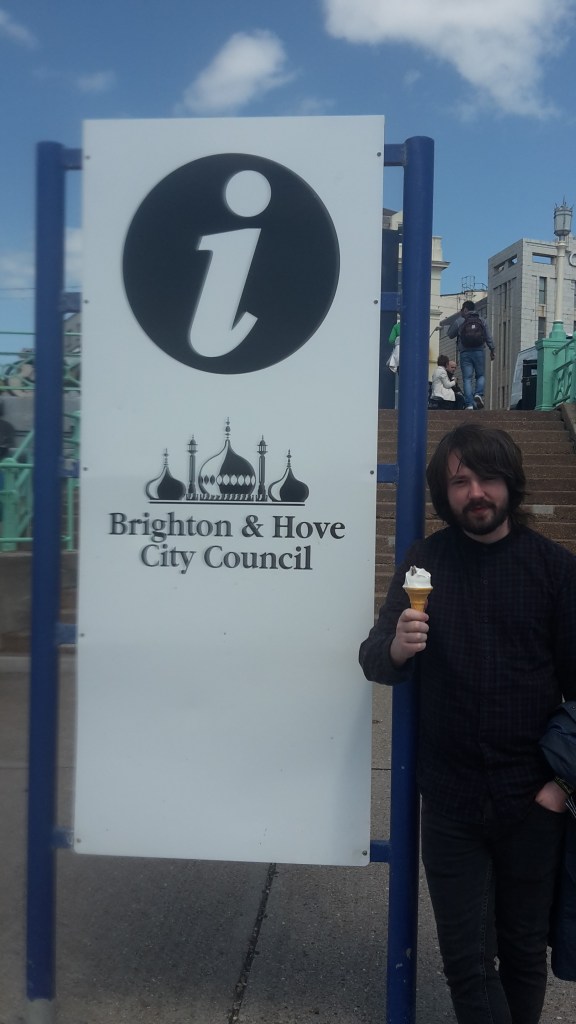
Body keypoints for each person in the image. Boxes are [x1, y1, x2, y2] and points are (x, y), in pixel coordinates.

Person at [359, 422, 576, 1024]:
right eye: (459, 482)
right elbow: (373, 658)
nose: (475, 492)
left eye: (486, 478)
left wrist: (559, 788)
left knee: (524, 952)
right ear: (444, 493)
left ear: (510, 482)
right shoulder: (424, 563)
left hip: (531, 801)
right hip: (451, 801)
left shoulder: (555, 570)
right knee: (467, 962)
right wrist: (399, 646)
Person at [448, 300, 495, 410]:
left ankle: (469, 404)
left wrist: (458, 322)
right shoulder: (482, 321)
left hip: (465, 353)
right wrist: (492, 350)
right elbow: (489, 337)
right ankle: (478, 394)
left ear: (465, 309)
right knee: (480, 375)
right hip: (479, 351)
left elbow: (450, 334)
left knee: (467, 379)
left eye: (461, 310)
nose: (461, 312)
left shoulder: (460, 321)